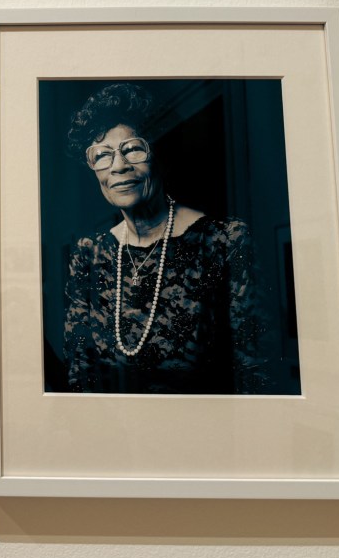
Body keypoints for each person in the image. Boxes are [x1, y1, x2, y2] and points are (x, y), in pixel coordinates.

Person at [62, 83, 270, 394]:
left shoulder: (225, 241)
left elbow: (255, 375)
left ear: (159, 152)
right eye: (102, 155)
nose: (119, 166)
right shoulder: (88, 255)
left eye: (133, 148)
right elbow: (79, 376)